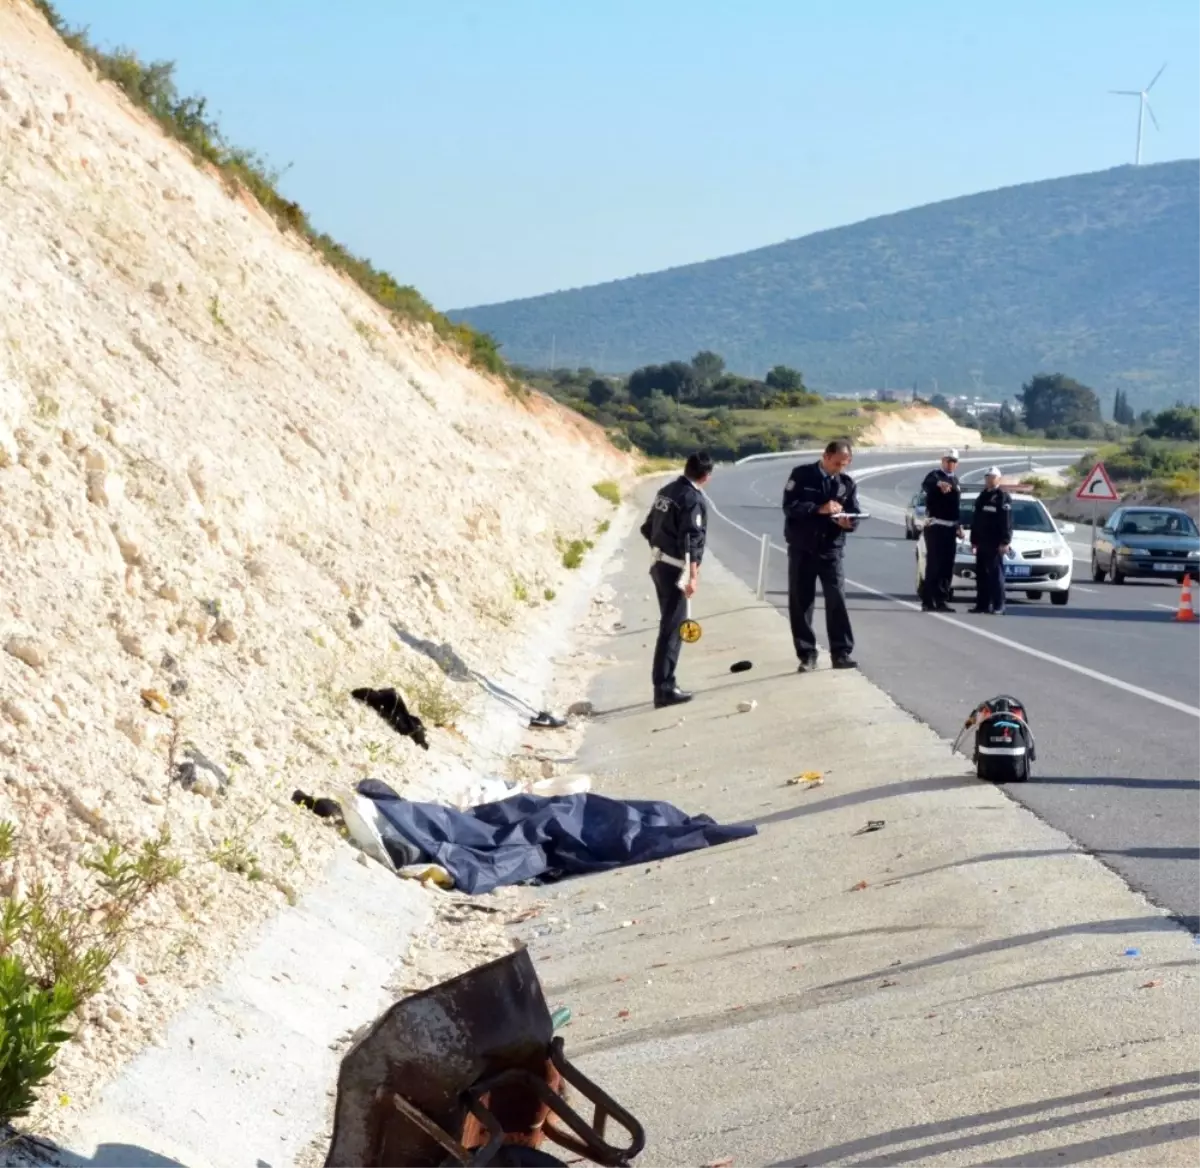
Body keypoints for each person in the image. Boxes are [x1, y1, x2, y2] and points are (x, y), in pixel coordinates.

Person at [639, 451, 713, 708]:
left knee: (668, 625)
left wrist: (661, 549)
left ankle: (664, 684)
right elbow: (691, 539)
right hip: (675, 569)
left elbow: (647, 528)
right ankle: (664, 688)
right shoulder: (693, 499)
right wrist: (692, 575)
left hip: (658, 564)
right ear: (706, 477)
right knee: (672, 629)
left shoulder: (667, 491)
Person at [781, 439, 860, 672]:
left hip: (831, 549)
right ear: (825, 457)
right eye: (836, 464)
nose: (839, 469)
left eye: (844, 465)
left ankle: (841, 652)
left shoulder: (846, 484)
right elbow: (789, 507)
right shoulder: (802, 475)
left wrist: (849, 523)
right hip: (802, 548)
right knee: (801, 602)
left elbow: (854, 511)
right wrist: (818, 509)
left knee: (837, 599)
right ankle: (807, 654)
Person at [919, 449, 963, 613]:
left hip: (950, 527)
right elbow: (927, 484)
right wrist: (939, 484)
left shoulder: (955, 480)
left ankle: (941, 599)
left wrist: (958, 525)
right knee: (934, 565)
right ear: (942, 461)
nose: (950, 464)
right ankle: (928, 601)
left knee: (946, 566)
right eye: (947, 460)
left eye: (953, 461)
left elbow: (955, 507)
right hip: (936, 526)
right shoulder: (935, 475)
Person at [970, 467, 1014, 615]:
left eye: (993, 477)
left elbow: (1006, 521)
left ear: (998, 479)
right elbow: (976, 520)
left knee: (996, 576)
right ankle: (982, 605)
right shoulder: (982, 496)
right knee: (981, 576)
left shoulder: (1002, 497)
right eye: (987, 477)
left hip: (995, 543)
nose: (989, 479)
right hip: (982, 542)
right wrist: (973, 541)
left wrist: (1005, 541)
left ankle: (999, 605)